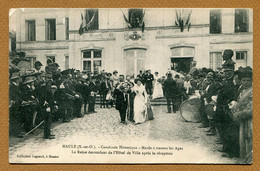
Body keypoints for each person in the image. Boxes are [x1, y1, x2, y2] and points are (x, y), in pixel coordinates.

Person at [230, 67, 253, 163]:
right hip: (243, 119)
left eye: (248, 80)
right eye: (244, 80)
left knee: (250, 138)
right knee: (243, 138)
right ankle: (244, 159)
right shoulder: (242, 91)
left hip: (251, 119)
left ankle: (251, 161)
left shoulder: (253, 91)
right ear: (241, 81)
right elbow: (239, 104)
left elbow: (252, 108)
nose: (246, 82)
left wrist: (240, 113)